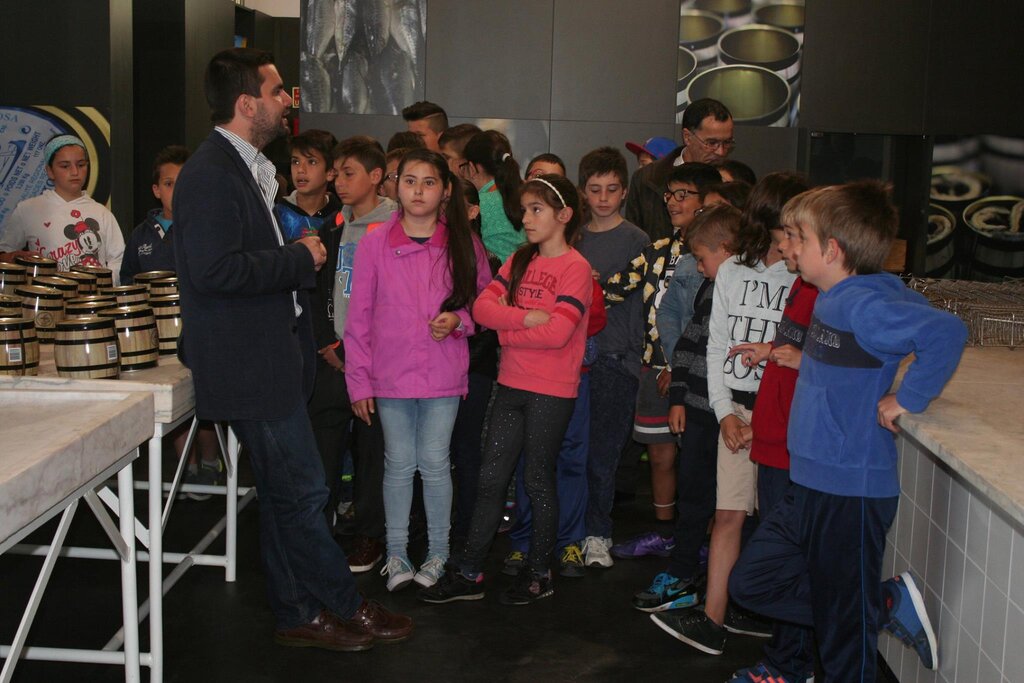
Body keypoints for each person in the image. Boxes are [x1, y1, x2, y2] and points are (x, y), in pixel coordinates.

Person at [172, 47, 411, 651]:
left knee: (287, 496)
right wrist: (297, 258)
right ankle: (344, 604)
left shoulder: (243, 166)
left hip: (269, 360)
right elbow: (213, 272)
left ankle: (298, 611)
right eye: (277, 91)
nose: (288, 100)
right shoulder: (210, 173)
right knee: (304, 493)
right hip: (249, 365)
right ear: (246, 103)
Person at [724, 181, 964, 682]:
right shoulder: (837, 297)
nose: (789, 248)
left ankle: (864, 612)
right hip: (810, 483)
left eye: (799, 238)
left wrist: (909, 397)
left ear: (832, 250)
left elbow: (945, 331)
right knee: (752, 582)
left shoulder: (861, 304)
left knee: (843, 646)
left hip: (849, 489)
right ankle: (881, 604)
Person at [419, 174, 593, 606]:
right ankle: (470, 571)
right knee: (490, 478)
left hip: (551, 390)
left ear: (564, 215)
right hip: (512, 383)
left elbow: (558, 333)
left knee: (537, 480)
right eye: (525, 210)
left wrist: (505, 327)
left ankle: (539, 573)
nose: (526, 219)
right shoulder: (519, 259)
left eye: (536, 210)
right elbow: (481, 308)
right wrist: (523, 320)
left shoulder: (575, 268)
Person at [652, 172, 801, 655]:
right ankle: (713, 618)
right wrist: (724, 414)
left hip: (780, 411)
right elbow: (715, 346)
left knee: (773, 518)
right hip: (733, 409)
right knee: (728, 513)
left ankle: (770, 620)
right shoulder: (734, 270)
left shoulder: (804, 276)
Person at [345, 148, 491, 592]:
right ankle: (396, 553)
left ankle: (439, 553)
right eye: (410, 181)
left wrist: (459, 321)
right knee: (397, 463)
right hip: (390, 376)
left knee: (434, 462)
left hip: (443, 373)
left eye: (429, 182)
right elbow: (358, 318)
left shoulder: (464, 243)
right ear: (395, 186)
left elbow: (484, 303)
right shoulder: (374, 243)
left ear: (445, 190)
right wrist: (358, 382)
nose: (418, 191)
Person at [721, 173, 818, 683]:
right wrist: (775, 352)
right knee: (779, 564)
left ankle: (790, 663)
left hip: (793, 447)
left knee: (776, 568)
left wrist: (806, 360)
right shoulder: (803, 286)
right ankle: (788, 662)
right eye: (782, 235)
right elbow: (800, 352)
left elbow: (862, 358)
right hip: (773, 439)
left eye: (790, 236)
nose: (781, 247)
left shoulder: (830, 292)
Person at [604, 162, 721, 560]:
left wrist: (679, 367)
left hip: (700, 373)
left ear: (707, 201)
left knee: (700, 459)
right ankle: (666, 533)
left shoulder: (722, 258)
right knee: (660, 454)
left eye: (682, 194)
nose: (672, 202)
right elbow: (614, 289)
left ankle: (704, 542)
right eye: (669, 194)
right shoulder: (655, 250)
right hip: (653, 367)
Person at [632, 205, 741, 614]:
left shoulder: (742, 291)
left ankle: (727, 588)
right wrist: (678, 395)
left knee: (731, 506)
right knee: (693, 498)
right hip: (697, 407)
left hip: (731, 412)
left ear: (726, 249)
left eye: (701, 257)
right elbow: (690, 345)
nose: (697, 266)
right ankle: (681, 576)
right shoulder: (711, 289)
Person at [573, 147, 650, 569]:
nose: (603, 198)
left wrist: (634, 359)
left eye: (612, 189)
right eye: (595, 189)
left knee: (602, 457)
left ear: (624, 191)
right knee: (571, 453)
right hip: (570, 358)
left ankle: (598, 533)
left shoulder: (638, 240)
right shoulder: (573, 237)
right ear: (583, 191)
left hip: (616, 357)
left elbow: (645, 306)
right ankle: (570, 531)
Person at [329, 136, 396, 573]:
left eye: (348, 173)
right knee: (332, 448)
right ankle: (331, 526)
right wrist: (331, 343)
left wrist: (362, 353)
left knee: (375, 453)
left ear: (375, 176)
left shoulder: (394, 226)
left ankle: (373, 535)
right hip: (335, 355)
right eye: (336, 173)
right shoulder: (333, 225)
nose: (338, 181)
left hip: (377, 360)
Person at [274, 128, 344, 522]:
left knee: (329, 434)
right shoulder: (276, 214)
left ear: (331, 172)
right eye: (296, 162)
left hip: (331, 335)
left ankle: (328, 510)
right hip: (286, 331)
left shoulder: (343, 215)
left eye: (311, 162)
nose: (301, 171)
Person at [449, 181, 500, 549]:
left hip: (473, 367)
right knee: (432, 454)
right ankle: (429, 525)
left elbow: (487, 320)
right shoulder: (430, 249)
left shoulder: (485, 257)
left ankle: (466, 529)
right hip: (435, 366)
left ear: (472, 211)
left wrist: (464, 358)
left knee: (466, 448)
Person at [0, 134, 125, 280]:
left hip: (92, 293)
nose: (75, 172)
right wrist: (14, 257)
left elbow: (118, 259)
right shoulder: (27, 210)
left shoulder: (102, 213)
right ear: (50, 171)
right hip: (47, 292)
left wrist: (103, 284)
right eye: (65, 166)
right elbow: (5, 253)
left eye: (81, 165)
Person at [625, 99, 735, 241]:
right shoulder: (646, 179)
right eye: (712, 143)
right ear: (687, 137)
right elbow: (634, 242)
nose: (720, 151)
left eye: (727, 143)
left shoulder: (733, 182)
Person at [120, 145, 190, 283]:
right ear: (157, 190)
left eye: (184, 182)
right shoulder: (140, 236)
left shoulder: (203, 229)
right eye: (169, 184)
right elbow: (127, 280)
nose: (177, 190)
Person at [463, 130, 525, 261]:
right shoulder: (527, 195)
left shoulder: (477, 204)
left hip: (491, 273)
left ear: (472, 168)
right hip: (526, 271)